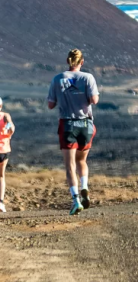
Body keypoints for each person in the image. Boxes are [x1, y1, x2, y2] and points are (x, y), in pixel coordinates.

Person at [48, 48, 99, 216]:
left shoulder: (57, 79)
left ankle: (76, 200)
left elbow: (51, 104)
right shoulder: (88, 77)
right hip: (85, 123)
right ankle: (84, 187)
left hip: (67, 124)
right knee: (81, 161)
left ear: (68, 61)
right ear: (82, 62)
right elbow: (94, 100)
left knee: (70, 165)